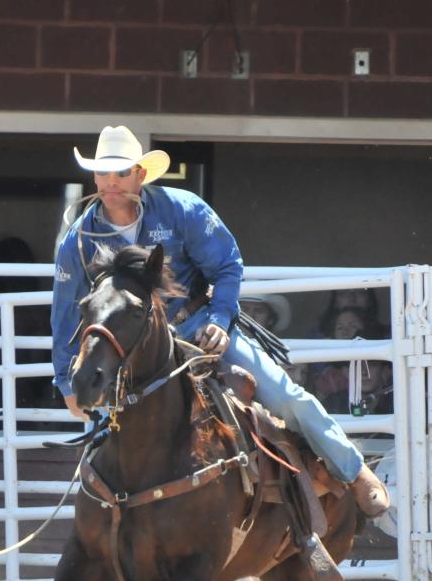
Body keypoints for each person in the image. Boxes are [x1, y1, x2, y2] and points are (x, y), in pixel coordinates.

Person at [51, 125, 389, 517]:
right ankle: (112, 528)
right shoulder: (77, 240)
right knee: (109, 441)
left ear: (140, 174)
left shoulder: (182, 209)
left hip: (198, 332)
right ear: (93, 176)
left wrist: (221, 318)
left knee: (284, 397)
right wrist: (65, 377)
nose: (111, 182)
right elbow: (65, 312)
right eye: (103, 173)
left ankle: (353, 470)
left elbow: (227, 266)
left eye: (121, 172)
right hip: (133, 356)